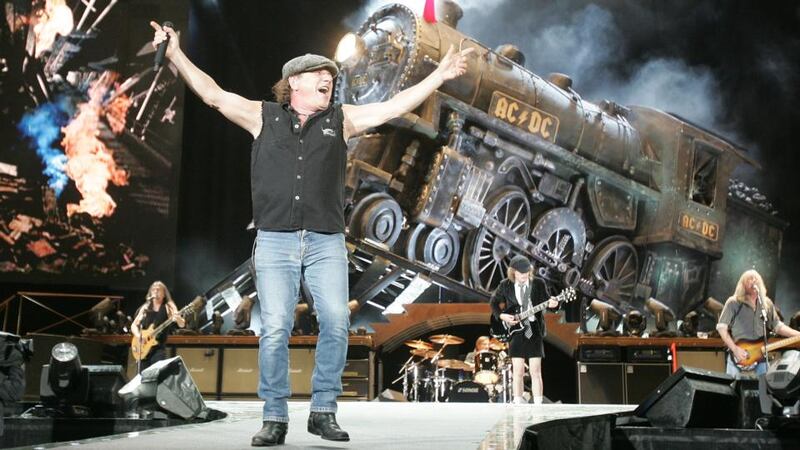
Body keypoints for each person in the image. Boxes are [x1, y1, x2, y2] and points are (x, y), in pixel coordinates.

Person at [150, 22, 472, 446]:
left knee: (337, 320)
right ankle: (274, 418)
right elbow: (211, 93)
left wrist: (439, 76)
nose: (329, 78)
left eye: (331, 76)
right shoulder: (262, 116)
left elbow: (394, 106)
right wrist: (174, 54)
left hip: (325, 241)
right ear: (294, 82)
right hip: (276, 240)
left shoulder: (341, 120)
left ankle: (323, 411)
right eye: (319, 73)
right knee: (277, 326)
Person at [490, 255, 557, 405]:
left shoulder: (538, 284)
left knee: (535, 371)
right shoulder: (505, 285)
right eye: (520, 274)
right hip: (516, 332)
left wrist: (554, 304)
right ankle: (518, 402)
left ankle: (538, 404)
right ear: (513, 272)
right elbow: (493, 303)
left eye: (526, 274)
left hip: (534, 330)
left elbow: (548, 301)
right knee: (518, 371)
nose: (523, 277)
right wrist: (502, 316)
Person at [716, 269, 800, 377]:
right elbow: (721, 328)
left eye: (756, 278)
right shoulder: (733, 302)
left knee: (764, 391)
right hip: (739, 355)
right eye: (749, 279)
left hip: (761, 357)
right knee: (732, 390)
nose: (753, 281)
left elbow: (778, 327)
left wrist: (797, 335)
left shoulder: (767, 303)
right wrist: (735, 349)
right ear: (743, 284)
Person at [131, 281, 185, 371]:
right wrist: (138, 336)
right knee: (142, 377)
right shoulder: (146, 307)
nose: (155, 291)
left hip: (158, 349)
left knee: (156, 375)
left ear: (164, 294)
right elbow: (134, 325)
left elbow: (182, 324)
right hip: (143, 348)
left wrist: (178, 318)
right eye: (153, 290)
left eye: (158, 290)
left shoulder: (168, 306)